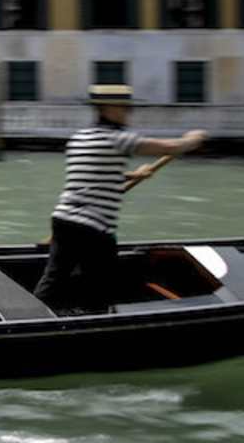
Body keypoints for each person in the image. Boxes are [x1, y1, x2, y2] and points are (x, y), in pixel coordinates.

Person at [33, 84, 207, 314]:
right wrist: (192, 139)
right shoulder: (118, 139)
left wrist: (132, 175)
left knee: (54, 278)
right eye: (124, 108)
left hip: (63, 220)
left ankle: (30, 316)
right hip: (93, 227)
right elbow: (169, 147)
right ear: (107, 109)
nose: (129, 113)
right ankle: (94, 322)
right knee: (101, 283)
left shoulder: (79, 138)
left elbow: (91, 173)